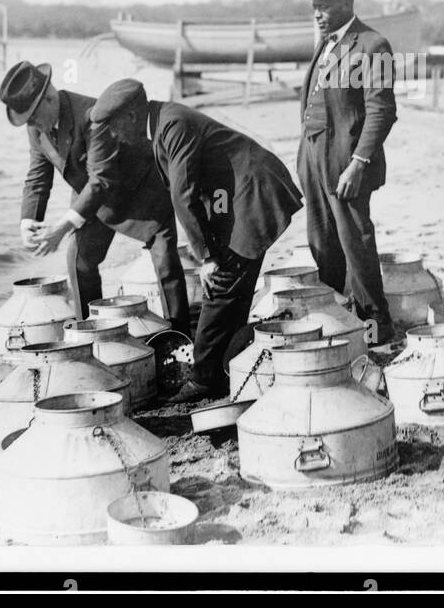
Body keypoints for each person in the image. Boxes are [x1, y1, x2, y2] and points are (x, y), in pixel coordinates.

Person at [89, 79, 304, 402]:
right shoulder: (161, 123)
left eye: (113, 126)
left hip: (254, 190)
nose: (112, 136)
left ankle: (203, 380)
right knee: (233, 290)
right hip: (238, 196)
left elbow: (183, 193)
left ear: (131, 117)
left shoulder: (172, 125)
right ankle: (228, 370)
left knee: (221, 285)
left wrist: (206, 257)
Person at [0, 60, 189, 324]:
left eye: (32, 117)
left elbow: (102, 179)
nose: (32, 126)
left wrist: (62, 228)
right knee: (79, 261)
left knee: (165, 264)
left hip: (140, 191)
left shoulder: (90, 114)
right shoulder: (37, 127)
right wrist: (27, 222)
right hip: (93, 201)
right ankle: (90, 332)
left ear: (49, 99)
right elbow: (38, 175)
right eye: (27, 120)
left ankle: (179, 333)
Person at [298, 0, 397, 345]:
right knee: (322, 240)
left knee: (355, 241)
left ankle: (375, 325)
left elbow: (382, 111)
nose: (318, 15)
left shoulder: (374, 45)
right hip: (312, 155)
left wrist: (359, 162)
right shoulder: (325, 44)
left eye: (324, 7)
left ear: (346, 2)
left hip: (346, 161)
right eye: (314, 8)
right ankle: (341, 319)